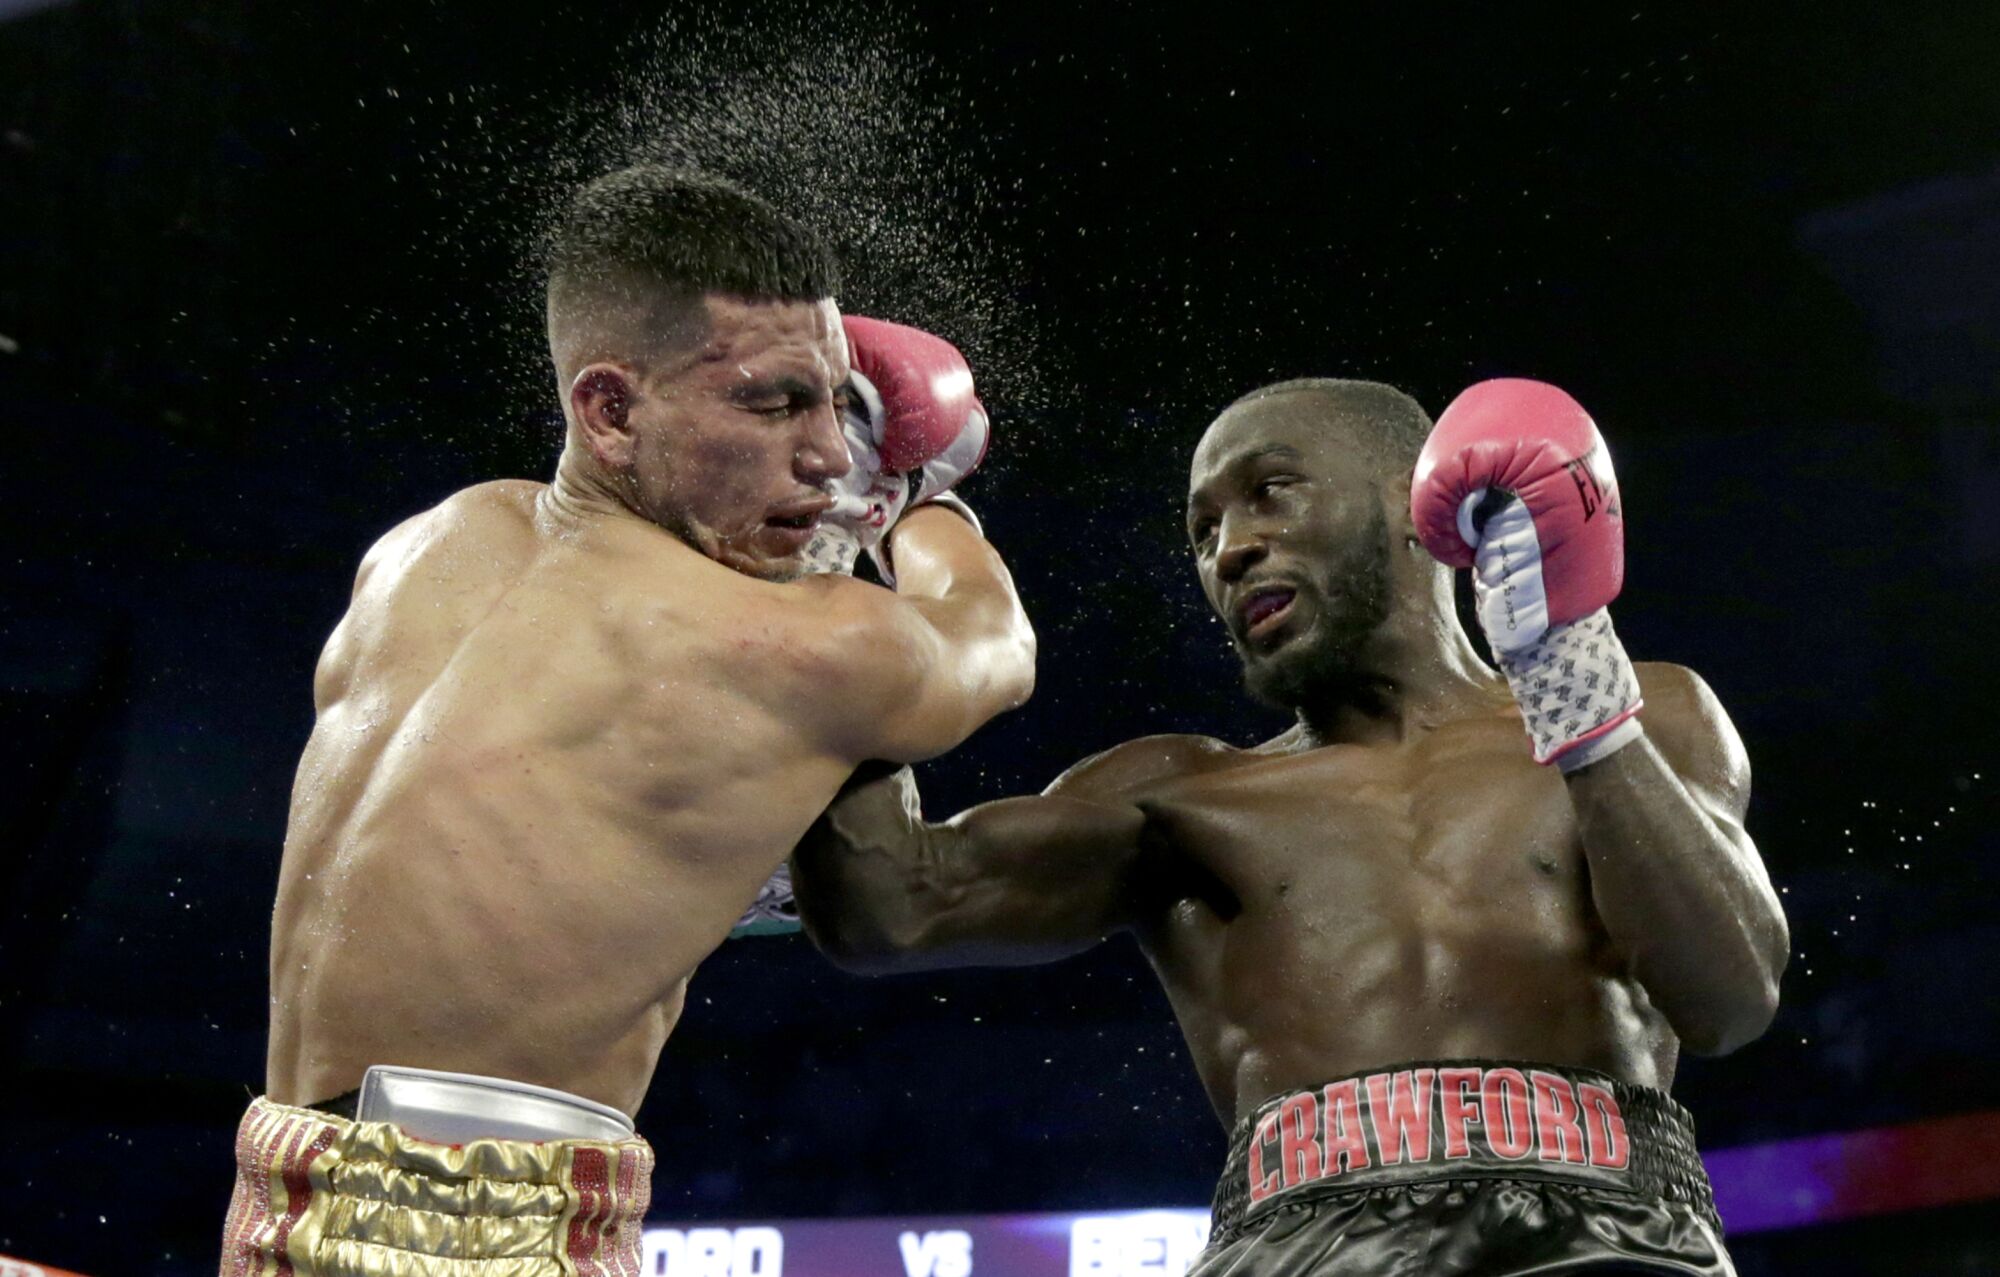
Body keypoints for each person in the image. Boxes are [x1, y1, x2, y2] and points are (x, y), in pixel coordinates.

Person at [219, 166, 1035, 1276]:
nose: (830, 455)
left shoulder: (421, 547)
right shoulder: (775, 643)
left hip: (279, 1198)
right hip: (489, 1218)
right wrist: (923, 490)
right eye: (773, 402)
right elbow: (993, 648)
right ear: (607, 408)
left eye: (837, 407)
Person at [793, 377, 1787, 1275]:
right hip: (1300, 1241)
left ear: (1415, 496)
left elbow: (1728, 997)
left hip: (1608, 1229)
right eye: (1200, 531)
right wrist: (828, 552)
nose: (1229, 548)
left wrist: (1573, 688)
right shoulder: (1180, 791)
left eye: (1271, 489)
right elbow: (891, 904)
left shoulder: (1648, 711)